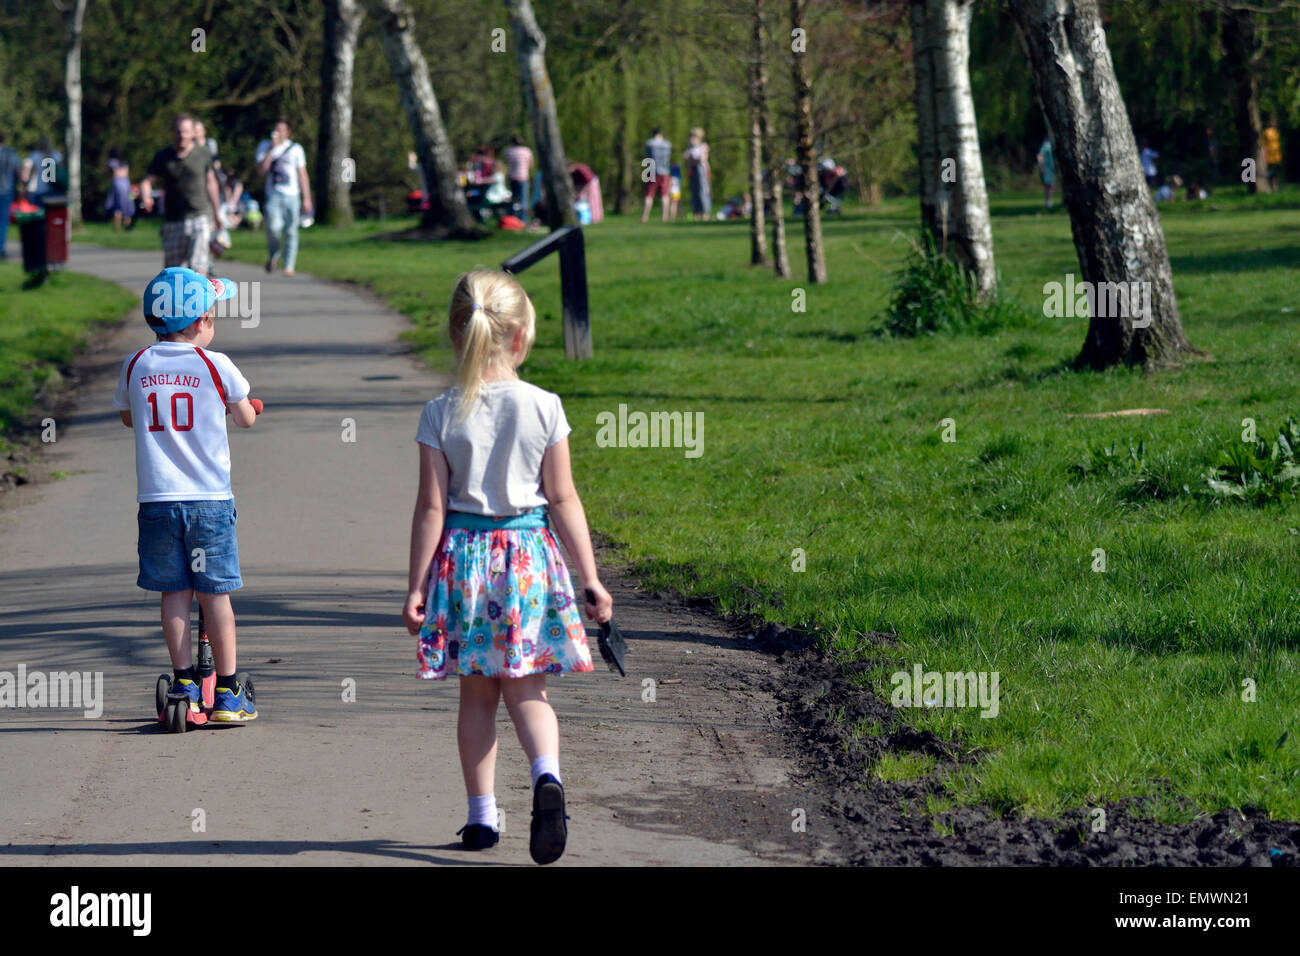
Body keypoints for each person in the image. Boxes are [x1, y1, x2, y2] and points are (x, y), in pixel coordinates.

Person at [403, 269, 613, 863]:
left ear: (456, 335)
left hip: (465, 566)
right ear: (520, 337)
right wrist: (590, 578)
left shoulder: (441, 412)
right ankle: (548, 775)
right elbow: (564, 498)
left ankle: (480, 820)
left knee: (476, 697)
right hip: (529, 564)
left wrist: (415, 588)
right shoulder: (545, 406)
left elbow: (431, 508)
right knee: (528, 691)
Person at [112, 266, 262, 724]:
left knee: (173, 593)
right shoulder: (216, 364)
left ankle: (183, 680)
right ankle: (231, 690)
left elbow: (129, 418)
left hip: (157, 501)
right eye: (213, 316)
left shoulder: (136, 364)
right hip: (209, 501)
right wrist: (248, 407)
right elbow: (245, 420)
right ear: (199, 323)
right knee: (215, 595)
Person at [141, 115, 222, 275]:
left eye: (185, 132)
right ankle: (178, 300)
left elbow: (211, 182)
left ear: (193, 133)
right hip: (173, 220)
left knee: (199, 268)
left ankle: (199, 300)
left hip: (200, 215)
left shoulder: (203, 153)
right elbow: (147, 181)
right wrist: (146, 196)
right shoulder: (163, 156)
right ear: (172, 133)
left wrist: (217, 212)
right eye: (178, 132)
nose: (182, 136)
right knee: (173, 272)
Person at [255, 117, 313, 276]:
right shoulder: (264, 146)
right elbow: (260, 171)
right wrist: (271, 150)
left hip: (292, 195)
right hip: (273, 194)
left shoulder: (296, 149)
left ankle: (289, 265)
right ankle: (274, 254)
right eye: (276, 130)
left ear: (288, 132)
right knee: (273, 228)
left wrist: (307, 198)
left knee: (291, 231)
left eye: (281, 130)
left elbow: (302, 174)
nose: (278, 133)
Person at [21, 135, 63, 206]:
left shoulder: (34, 156)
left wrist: (24, 187)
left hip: (36, 191)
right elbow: (61, 171)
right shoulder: (56, 155)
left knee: (36, 214)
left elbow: (25, 176)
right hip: (52, 190)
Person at [640, 126, 672, 222]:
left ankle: (645, 217)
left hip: (650, 169)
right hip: (665, 170)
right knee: (664, 194)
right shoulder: (667, 144)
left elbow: (647, 157)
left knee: (649, 194)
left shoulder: (649, 143)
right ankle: (665, 217)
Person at [684, 127, 711, 221]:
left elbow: (701, 159)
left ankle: (705, 213)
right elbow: (686, 159)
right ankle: (696, 213)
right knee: (694, 192)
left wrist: (691, 159)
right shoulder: (689, 148)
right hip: (693, 170)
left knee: (703, 191)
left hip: (701, 170)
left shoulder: (703, 146)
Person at [104, 147, 135, 231]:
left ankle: (116, 228)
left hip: (117, 183)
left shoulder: (111, 162)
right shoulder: (124, 161)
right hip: (126, 183)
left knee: (117, 206)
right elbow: (126, 173)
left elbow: (109, 173)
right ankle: (127, 226)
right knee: (127, 204)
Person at [504, 135, 533, 220]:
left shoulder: (509, 151)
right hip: (523, 177)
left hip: (512, 177)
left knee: (513, 200)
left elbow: (507, 163)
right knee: (524, 200)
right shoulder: (527, 151)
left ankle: (511, 219)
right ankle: (523, 220)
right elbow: (531, 164)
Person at [0, 131, 19, 258]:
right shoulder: (10, 154)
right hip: (6, 191)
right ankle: (0, 248)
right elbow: (17, 170)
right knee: (3, 221)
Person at [1262, 118, 1283, 193]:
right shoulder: (1266, 132)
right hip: (1269, 154)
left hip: (1276, 154)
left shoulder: (1276, 132)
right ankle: (1271, 185)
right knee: (1270, 170)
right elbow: (1264, 145)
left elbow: (1278, 144)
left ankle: (1275, 185)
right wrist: (1264, 154)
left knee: (1275, 171)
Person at [1036, 136, 1055, 208]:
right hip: (1047, 169)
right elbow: (1039, 156)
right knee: (1049, 185)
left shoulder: (1049, 145)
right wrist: (1041, 167)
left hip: (1050, 168)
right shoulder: (1046, 146)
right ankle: (1048, 201)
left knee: (1049, 185)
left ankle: (1048, 201)